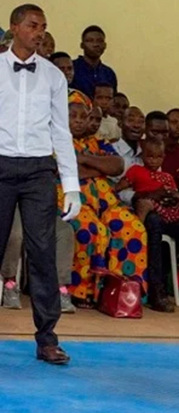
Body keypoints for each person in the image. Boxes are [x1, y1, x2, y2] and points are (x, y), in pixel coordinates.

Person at [0, 4, 80, 365]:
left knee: (43, 252)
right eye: (33, 25)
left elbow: (61, 132)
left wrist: (72, 184)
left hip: (38, 170)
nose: (40, 32)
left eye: (44, 27)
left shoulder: (53, 76)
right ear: (14, 27)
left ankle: (47, 338)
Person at [64, 90, 154, 311]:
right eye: (72, 115)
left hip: (106, 201)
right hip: (74, 201)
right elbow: (69, 171)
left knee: (133, 228)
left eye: (83, 116)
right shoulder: (55, 140)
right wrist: (97, 167)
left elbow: (117, 165)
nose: (78, 121)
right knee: (90, 230)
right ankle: (81, 291)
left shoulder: (99, 141)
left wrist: (85, 159)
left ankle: (122, 292)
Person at [70, 25, 117, 97]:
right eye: (90, 41)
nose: (95, 44)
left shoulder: (108, 73)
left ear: (105, 45)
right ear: (82, 45)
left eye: (99, 41)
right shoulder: (71, 68)